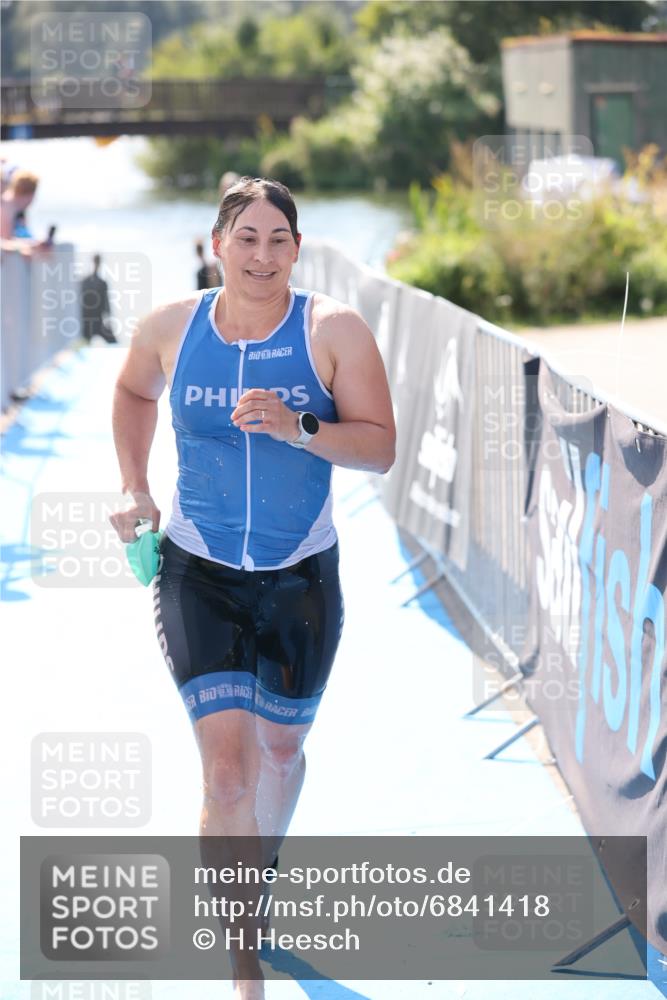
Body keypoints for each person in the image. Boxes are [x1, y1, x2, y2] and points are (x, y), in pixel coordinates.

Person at [109, 177, 396, 998]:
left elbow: (379, 448)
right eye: (246, 238)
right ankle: (242, 955)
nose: (261, 256)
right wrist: (133, 485)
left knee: (280, 752)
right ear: (217, 245)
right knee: (228, 773)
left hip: (300, 578)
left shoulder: (332, 331)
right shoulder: (172, 327)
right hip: (197, 574)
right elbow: (131, 391)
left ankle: (257, 872)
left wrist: (299, 427)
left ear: (297, 250)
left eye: (278, 240)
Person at [79, 254, 118, 344]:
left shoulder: (101, 283)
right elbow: (78, 303)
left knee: (113, 343)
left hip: (98, 320)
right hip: (87, 321)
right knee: (82, 344)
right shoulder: (84, 282)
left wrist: (108, 320)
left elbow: (106, 303)